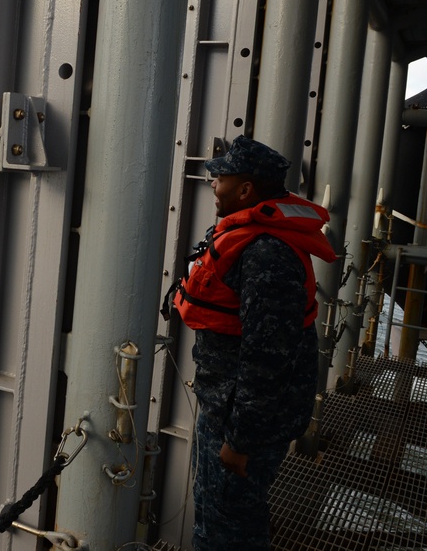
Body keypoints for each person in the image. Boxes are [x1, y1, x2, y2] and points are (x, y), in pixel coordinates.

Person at [171, 135, 337, 549]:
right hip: (229, 409)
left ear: (246, 190)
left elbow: (267, 361)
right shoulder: (253, 238)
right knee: (224, 515)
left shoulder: (266, 255)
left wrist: (240, 442)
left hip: (243, 424)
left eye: (221, 178)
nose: (213, 184)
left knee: (226, 531)